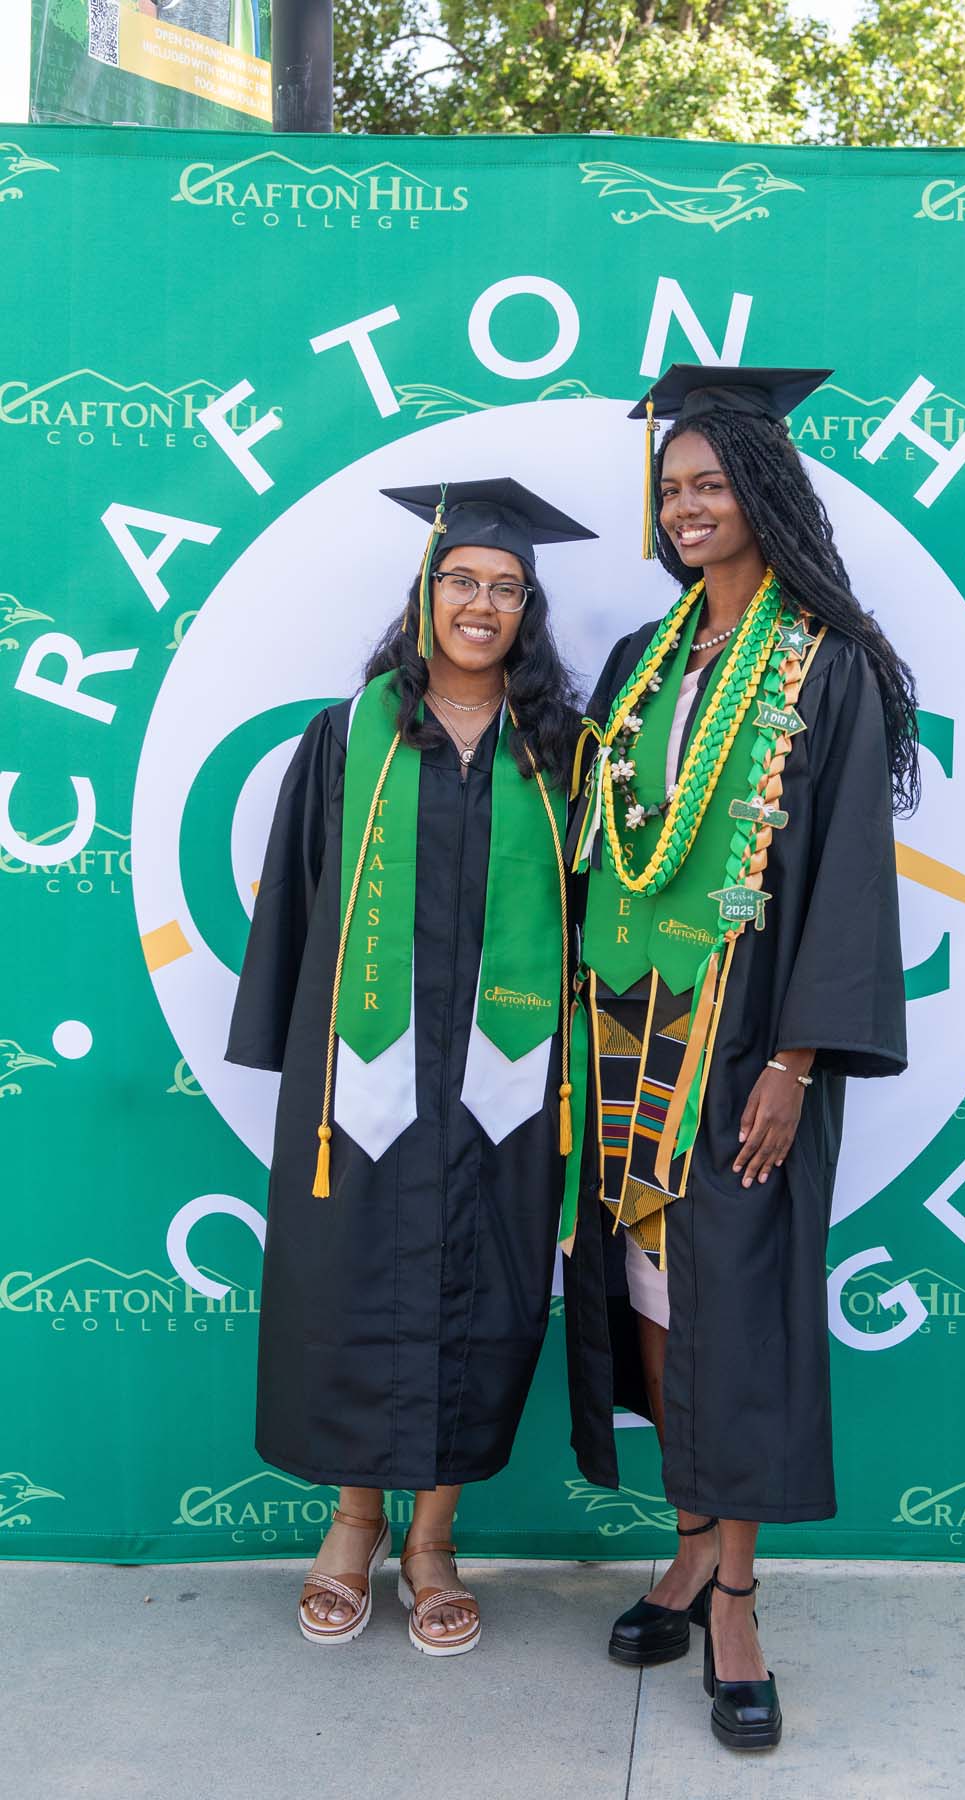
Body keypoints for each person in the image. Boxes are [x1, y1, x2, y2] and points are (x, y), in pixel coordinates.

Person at [564, 365, 915, 1748]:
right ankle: (691, 1541)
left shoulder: (825, 663)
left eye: (711, 485)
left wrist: (795, 1061)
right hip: (621, 1035)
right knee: (653, 1291)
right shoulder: (646, 660)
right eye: (672, 489)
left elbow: (846, 875)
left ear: (764, 493)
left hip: (748, 1039)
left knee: (745, 1304)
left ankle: (738, 1599)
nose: (688, 506)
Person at [226, 478, 595, 1655]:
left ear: (528, 611)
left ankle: (434, 1540)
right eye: (463, 582)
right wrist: (288, 1052)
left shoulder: (564, 755)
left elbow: (603, 918)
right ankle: (350, 1529)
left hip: (506, 1078)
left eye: (506, 588)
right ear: (425, 593)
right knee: (348, 1286)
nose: (482, 605)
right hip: (362, 1077)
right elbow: (295, 897)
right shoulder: (347, 738)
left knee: (482, 1294)